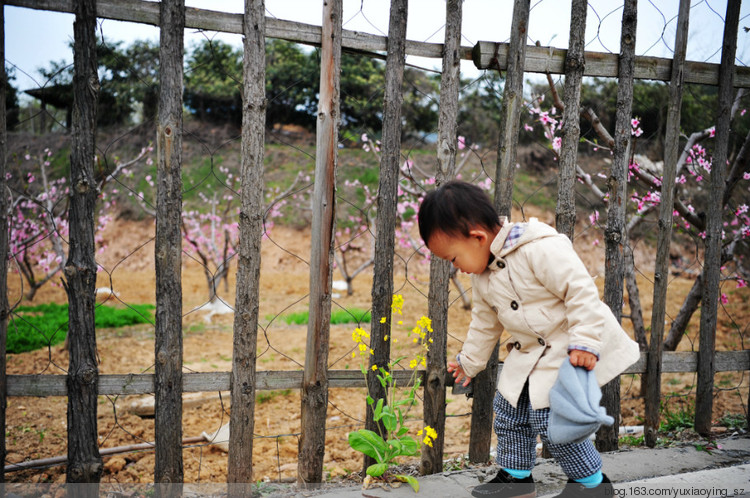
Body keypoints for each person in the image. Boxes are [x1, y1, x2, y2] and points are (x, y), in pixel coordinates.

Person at [417, 180, 640, 498]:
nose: (456, 269)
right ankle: (516, 478)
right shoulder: (483, 277)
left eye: (453, 259)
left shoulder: (538, 247)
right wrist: (470, 362)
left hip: (567, 348)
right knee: (508, 413)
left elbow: (580, 292)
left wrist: (585, 342)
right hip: (529, 354)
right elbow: (484, 324)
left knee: (555, 425)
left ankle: (591, 485)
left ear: (478, 238)